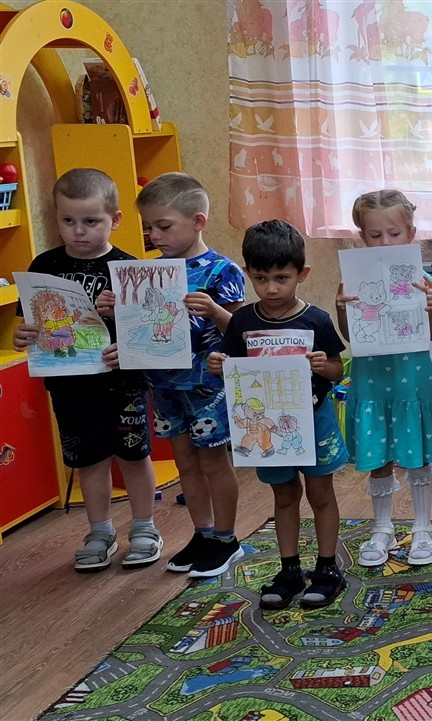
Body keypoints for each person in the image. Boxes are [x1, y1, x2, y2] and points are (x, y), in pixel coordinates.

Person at [13, 168, 159, 572]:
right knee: (88, 459)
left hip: (123, 383)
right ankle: (100, 531)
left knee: (134, 454)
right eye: (68, 220)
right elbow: (32, 325)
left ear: (115, 220)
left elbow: (151, 332)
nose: (78, 231)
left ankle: (145, 527)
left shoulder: (129, 270)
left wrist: (126, 341)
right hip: (70, 385)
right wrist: (22, 336)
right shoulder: (43, 266)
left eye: (91, 221)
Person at [206, 220, 349, 609]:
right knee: (284, 495)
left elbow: (338, 370)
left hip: (314, 420)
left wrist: (323, 365)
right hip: (267, 428)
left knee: (320, 493)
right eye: (261, 278)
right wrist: (219, 365)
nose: (271, 288)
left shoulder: (316, 320)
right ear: (248, 274)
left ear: (302, 274)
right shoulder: (242, 321)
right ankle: (289, 570)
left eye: (281, 278)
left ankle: (327, 568)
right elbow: (233, 370)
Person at [132, 173, 246, 578]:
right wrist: (118, 310)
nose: (154, 236)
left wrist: (214, 311)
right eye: (149, 227)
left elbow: (241, 331)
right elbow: (142, 326)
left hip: (206, 384)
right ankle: (203, 532)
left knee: (213, 460)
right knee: (184, 461)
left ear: (198, 221)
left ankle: (227, 539)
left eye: (164, 226)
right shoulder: (147, 274)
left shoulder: (222, 270)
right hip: (162, 382)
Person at [337, 190, 432, 568]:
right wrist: (342, 309)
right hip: (371, 381)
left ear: (411, 233)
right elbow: (350, 337)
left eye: (394, 233)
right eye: (374, 235)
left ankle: (422, 526)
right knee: (378, 452)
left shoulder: (420, 279)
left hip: (411, 379)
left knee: (417, 452)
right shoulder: (353, 281)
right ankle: (382, 526)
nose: (385, 242)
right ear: (361, 237)